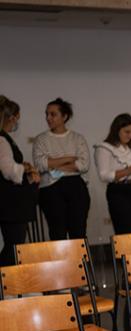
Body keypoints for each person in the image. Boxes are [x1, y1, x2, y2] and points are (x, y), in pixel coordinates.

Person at [32, 98, 91, 240]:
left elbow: (83, 165)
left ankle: (81, 262)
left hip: (76, 186)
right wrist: (69, 158)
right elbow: (40, 165)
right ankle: (61, 263)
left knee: (78, 232)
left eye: (53, 114)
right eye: (46, 114)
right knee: (57, 232)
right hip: (50, 189)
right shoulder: (41, 139)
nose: (48, 118)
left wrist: (53, 163)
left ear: (64, 117)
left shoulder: (77, 138)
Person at [93, 113, 131, 234]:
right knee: (125, 233)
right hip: (119, 191)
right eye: (127, 132)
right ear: (117, 130)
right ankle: (126, 254)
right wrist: (127, 171)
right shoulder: (104, 148)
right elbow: (104, 175)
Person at [0, 96, 39, 265]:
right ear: (12, 117)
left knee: (14, 246)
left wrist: (23, 168)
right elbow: (8, 170)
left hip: (11, 202)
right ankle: (7, 286)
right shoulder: (1, 139)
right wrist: (27, 169)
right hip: (11, 203)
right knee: (14, 247)